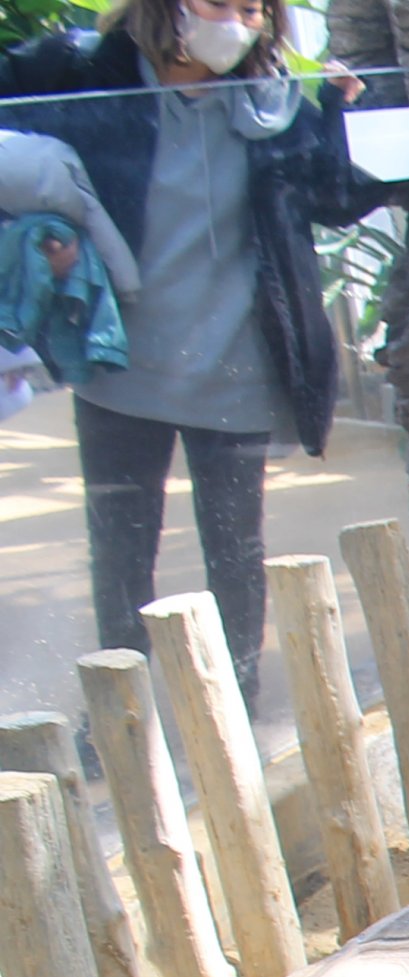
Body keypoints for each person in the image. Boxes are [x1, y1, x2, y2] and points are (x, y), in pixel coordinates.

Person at [0, 0, 388, 700]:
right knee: (121, 552)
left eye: (252, 9)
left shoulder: (274, 106)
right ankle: (120, 714)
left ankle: (234, 706)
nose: (237, 21)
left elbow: (336, 198)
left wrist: (343, 109)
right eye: (219, 3)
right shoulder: (82, 74)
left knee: (235, 553)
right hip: (120, 365)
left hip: (237, 364)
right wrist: (36, 234)